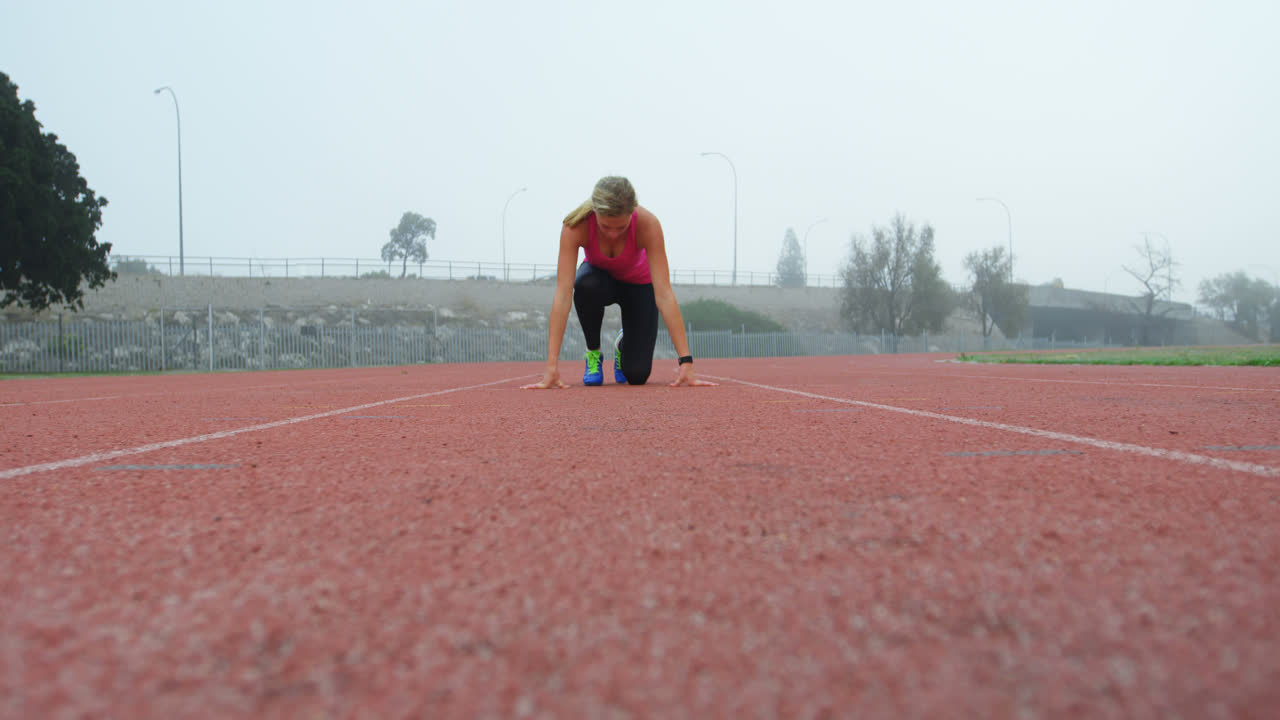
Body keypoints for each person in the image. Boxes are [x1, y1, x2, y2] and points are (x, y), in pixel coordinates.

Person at [521, 176, 717, 389]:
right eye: (605, 227)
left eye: (621, 227)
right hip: (599, 281)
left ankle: (622, 345)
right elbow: (563, 295)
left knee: (637, 375)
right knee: (585, 285)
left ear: (632, 212)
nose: (613, 234)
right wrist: (551, 366)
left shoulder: (648, 224)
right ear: (594, 213)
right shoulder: (575, 227)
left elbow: (664, 294)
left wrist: (685, 362)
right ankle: (593, 353)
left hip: (639, 286)